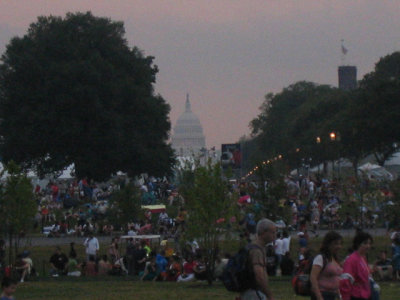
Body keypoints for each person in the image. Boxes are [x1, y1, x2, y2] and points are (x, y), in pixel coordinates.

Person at [240, 218, 276, 300]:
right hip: (254, 293)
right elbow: (259, 276)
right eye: (272, 232)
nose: (275, 235)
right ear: (264, 232)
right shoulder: (256, 251)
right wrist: (269, 295)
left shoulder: (255, 247)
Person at [340, 231, 374, 300]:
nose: (368, 246)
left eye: (369, 243)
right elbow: (345, 280)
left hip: (366, 294)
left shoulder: (363, 258)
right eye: (365, 243)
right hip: (356, 295)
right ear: (358, 244)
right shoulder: (351, 259)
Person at [310, 231, 343, 300]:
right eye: (335, 244)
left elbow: (335, 278)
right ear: (328, 244)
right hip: (323, 294)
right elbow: (313, 278)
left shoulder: (335, 259)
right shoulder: (321, 258)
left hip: (332, 295)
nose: (339, 246)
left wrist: (339, 295)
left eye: (340, 244)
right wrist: (319, 297)